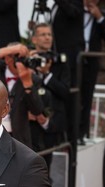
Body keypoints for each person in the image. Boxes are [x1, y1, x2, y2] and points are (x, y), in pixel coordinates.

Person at [52, 0, 105, 145]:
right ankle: (69, 133)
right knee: (72, 96)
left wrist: (99, 17)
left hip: (90, 61)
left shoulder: (102, 15)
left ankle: (82, 133)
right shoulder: (74, 10)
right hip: (73, 61)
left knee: (87, 97)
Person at [0, 42, 45, 148]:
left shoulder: (33, 79)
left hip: (17, 139)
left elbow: (37, 110)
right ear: (7, 58)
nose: (20, 61)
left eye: (23, 57)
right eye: (16, 57)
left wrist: (27, 83)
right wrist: (6, 50)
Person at [29, 22, 70, 169]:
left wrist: (47, 75)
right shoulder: (27, 59)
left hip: (50, 122)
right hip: (28, 122)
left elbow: (65, 92)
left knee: (44, 169)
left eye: (49, 34)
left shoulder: (59, 62)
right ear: (34, 39)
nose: (47, 38)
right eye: (43, 35)